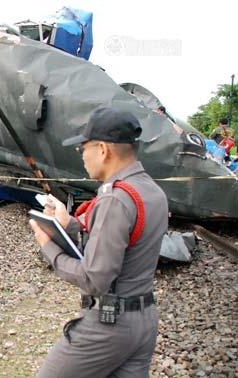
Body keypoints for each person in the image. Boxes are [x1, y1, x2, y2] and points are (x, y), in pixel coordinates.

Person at [29, 107, 169, 378]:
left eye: (83, 148)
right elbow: (121, 246)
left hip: (110, 325)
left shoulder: (114, 198)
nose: (82, 156)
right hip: (144, 320)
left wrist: (47, 245)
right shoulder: (152, 191)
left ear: (103, 149)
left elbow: (94, 279)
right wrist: (68, 223)